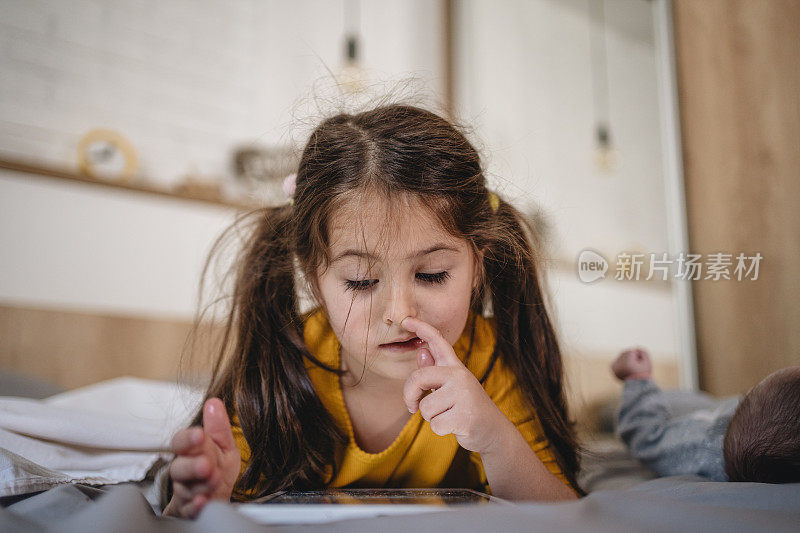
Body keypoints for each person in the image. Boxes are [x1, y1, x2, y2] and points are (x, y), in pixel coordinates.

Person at [162, 104, 582, 518]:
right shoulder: (281, 362)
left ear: (478, 267)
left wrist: (495, 438)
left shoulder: (488, 361)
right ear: (314, 280)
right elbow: (190, 508)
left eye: (433, 275)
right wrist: (199, 504)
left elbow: (567, 515)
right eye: (361, 281)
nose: (399, 314)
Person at [612, 347, 800, 483]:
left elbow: (645, 438)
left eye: (748, 396)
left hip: (691, 415)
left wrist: (638, 378)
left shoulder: (702, 446)